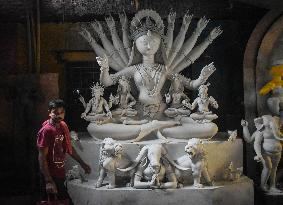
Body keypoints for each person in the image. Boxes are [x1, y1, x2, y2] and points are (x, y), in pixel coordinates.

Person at [37, 99, 91, 204]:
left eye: (62, 113)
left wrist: (82, 164)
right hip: (50, 175)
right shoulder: (46, 131)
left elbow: (69, 148)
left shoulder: (63, 126)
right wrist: (48, 181)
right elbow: (42, 158)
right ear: (49, 112)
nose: (59, 115)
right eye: (56, 113)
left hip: (60, 173)